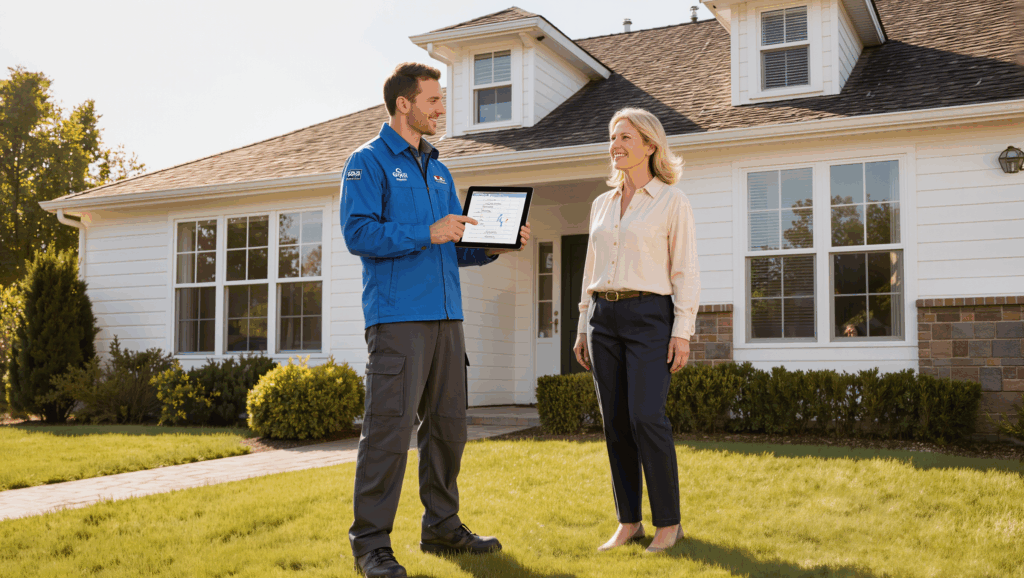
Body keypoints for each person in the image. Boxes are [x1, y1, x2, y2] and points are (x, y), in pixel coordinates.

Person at [341, 62, 530, 578]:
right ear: (405, 104)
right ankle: (371, 545)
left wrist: (494, 243)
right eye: (433, 100)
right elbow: (359, 235)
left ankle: (441, 525)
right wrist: (429, 231)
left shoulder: (440, 169)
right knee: (387, 431)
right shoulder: (368, 162)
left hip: (449, 319)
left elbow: (454, 246)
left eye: (441, 100)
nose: (441, 108)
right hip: (399, 320)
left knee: (448, 430)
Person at [572, 108, 700, 554]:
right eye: (612, 137)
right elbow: (591, 269)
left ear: (650, 145)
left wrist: (682, 331)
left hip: (650, 316)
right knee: (616, 425)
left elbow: (685, 271)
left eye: (625, 136)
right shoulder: (601, 205)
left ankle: (669, 523)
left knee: (647, 417)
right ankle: (629, 522)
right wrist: (583, 326)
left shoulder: (672, 201)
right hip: (604, 318)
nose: (616, 145)